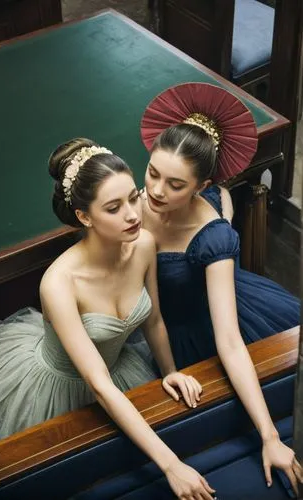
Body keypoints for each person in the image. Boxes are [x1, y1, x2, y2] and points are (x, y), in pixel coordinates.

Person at [0, 138, 218, 500]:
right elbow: (99, 384)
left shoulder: (142, 244)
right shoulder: (59, 283)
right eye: (114, 207)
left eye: (132, 197)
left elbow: (153, 319)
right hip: (59, 386)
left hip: (120, 369)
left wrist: (170, 370)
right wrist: (171, 465)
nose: (133, 214)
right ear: (84, 216)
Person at [140, 83, 302, 495]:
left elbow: (229, 341)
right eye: (153, 173)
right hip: (149, 320)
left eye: (176, 185)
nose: (157, 191)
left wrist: (269, 437)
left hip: (209, 323)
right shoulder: (135, 200)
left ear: (201, 185)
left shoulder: (212, 238)